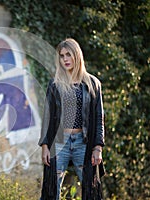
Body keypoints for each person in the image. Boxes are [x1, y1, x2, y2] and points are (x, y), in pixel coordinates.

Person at [39, 38, 105, 200]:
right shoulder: (55, 84)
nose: (65, 59)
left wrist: (98, 147)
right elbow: (47, 117)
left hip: (83, 142)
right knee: (51, 189)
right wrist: (45, 145)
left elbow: (99, 118)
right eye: (62, 56)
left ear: (77, 55)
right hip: (59, 141)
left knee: (91, 188)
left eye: (68, 55)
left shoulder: (92, 84)